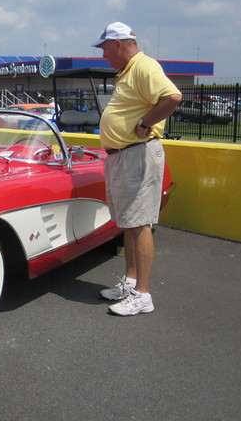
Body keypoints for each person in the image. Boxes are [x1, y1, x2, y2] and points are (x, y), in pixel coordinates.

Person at [92, 22, 182, 316]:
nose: (104, 55)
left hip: (137, 155)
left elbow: (172, 97)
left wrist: (145, 124)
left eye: (105, 48)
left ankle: (142, 295)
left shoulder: (143, 66)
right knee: (130, 223)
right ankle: (131, 284)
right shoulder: (129, 70)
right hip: (124, 155)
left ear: (118, 44)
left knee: (140, 223)